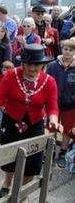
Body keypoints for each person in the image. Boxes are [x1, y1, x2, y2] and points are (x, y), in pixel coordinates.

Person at [0, 44, 59, 199]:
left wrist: (53, 120)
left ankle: (23, 191)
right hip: (12, 121)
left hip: (35, 124)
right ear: (23, 63)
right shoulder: (11, 75)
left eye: (37, 65)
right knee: (9, 157)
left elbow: (53, 106)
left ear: (43, 65)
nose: (33, 69)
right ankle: (7, 183)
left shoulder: (50, 82)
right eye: (29, 65)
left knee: (33, 162)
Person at [47, 39, 75, 168]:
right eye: (65, 49)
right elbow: (46, 82)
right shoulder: (53, 65)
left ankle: (63, 152)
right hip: (54, 104)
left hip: (71, 105)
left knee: (67, 130)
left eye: (70, 50)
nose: (67, 52)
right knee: (51, 127)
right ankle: (50, 151)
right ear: (61, 49)